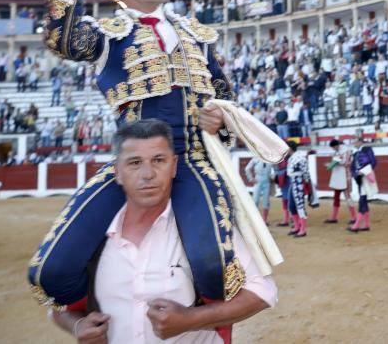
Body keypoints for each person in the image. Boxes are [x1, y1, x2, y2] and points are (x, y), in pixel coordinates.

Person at [30, 0, 247, 308]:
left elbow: (225, 102)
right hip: (131, 162)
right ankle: (106, 306)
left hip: (193, 161)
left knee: (215, 272)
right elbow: (60, 38)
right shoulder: (109, 34)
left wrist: (220, 121)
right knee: (51, 271)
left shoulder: (196, 35)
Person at [50, 120, 276, 344]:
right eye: (135, 163)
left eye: (158, 160)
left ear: (174, 165)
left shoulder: (204, 227)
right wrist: (77, 326)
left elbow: (262, 292)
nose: (148, 173)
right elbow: (59, 306)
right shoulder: (92, 237)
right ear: (117, 172)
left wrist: (191, 319)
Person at [348, 137, 377, 233]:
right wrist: (355, 174)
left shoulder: (367, 149)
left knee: (362, 201)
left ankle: (356, 225)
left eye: (355, 141)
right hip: (360, 179)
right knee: (363, 200)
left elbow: (373, 162)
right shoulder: (355, 153)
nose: (353, 143)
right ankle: (366, 225)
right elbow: (352, 167)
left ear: (360, 142)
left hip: (366, 177)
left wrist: (363, 172)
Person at [324, 139, 356, 225]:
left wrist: (335, 163)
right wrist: (331, 164)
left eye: (333, 147)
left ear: (336, 145)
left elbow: (347, 163)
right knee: (336, 196)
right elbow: (335, 162)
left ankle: (354, 217)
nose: (333, 149)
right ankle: (334, 217)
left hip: (345, 176)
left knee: (348, 197)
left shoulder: (347, 151)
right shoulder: (336, 152)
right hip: (337, 176)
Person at [285, 141, 310, 238]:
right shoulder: (291, 158)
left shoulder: (300, 157)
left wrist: (305, 184)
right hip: (293, 183)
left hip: (299, 183)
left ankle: (303, 230)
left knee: (300, 206)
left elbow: (306, 172)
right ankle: (297, 226)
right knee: (291, 206)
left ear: (290, 148)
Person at [245, 157, 274, 225]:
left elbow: (274, 169)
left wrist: (273, 176)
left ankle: (264, 220)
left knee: (266, 201)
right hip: (258, 180)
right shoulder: (256, 158)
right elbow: (247, 168)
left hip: (267, 181)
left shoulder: (270, 158)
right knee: (255, 201)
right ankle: (255, 219)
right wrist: (251, 178)